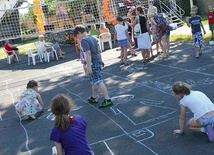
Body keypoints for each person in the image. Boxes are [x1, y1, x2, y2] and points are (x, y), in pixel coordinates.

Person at [74, 25, 113, 108]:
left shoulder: (84, 40)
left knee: (98, 81)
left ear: (79, 33)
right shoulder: (92, 38)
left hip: (93, 63)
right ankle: (94, 97)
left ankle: (107, 99)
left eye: (77, 36)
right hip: (97, 61)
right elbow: (97, 50)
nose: (78, 38)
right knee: (93, 81)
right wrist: (100, 60)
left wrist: (88, 66)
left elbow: (88, 53)